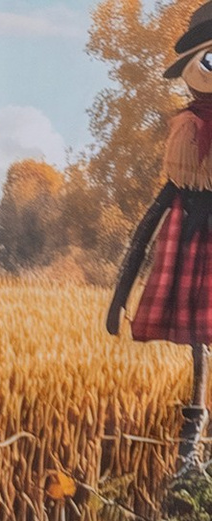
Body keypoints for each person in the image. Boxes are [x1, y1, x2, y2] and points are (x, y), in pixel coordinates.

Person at [109, 0, 212, 475]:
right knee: (199, 348)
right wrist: (119, 297)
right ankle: (191, 451)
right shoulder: (185, 135)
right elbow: (146, 227)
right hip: (191, 245)